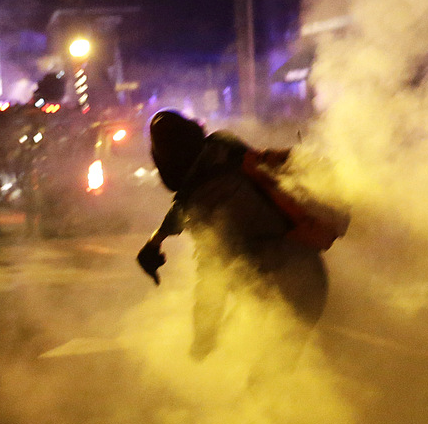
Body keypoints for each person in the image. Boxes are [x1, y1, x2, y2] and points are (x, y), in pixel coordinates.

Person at [136, 110, 346, 359]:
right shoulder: (222, 150)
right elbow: (185, 202)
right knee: (272, 360)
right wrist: (156, 239)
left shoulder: (210, 208)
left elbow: (212, 278)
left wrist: (204, 337)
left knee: (269, 377)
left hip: (292, 289)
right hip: (304, 274)